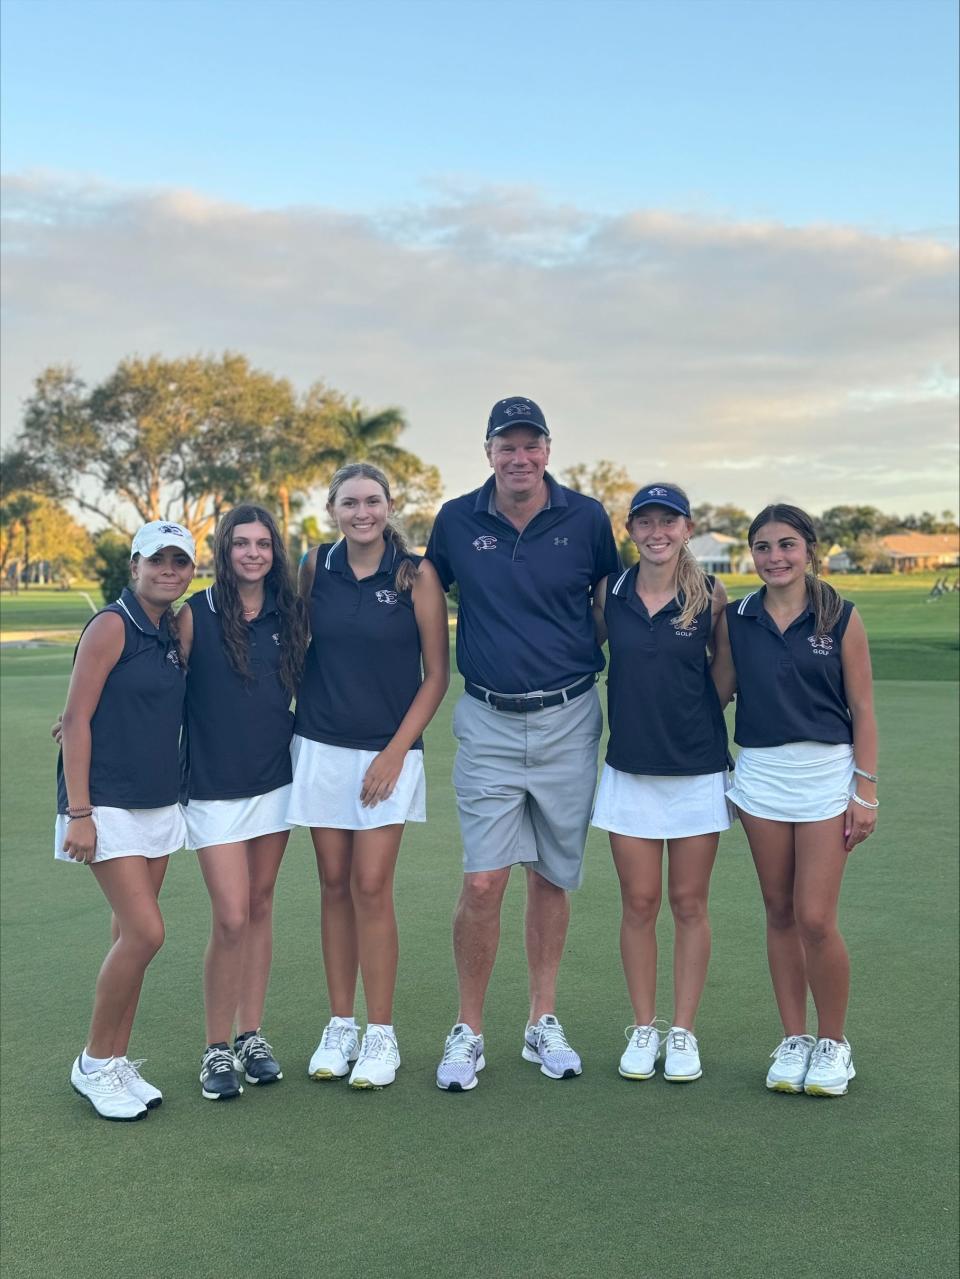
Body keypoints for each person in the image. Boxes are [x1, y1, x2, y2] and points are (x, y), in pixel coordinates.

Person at [426, 397, 620, 1091]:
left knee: (552, 874)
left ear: (546, 449)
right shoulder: (455, 520)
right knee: (483, 878)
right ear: (488, 452)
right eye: (506, 445)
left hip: (570, 716)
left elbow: (609, 607)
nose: (519, 457)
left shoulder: (587, 518)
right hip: (488, 719)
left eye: (530, 444)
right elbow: (422, 592)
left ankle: (542, 1019)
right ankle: (469, 1029)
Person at [289, 463, 449, 1089]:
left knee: (371, 885)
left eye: (373, 502)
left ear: (389, 507)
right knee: (332, 884)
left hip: (389, 753)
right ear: (332, 509)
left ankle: (381, 1033)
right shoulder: (312, 567)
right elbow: (293, 649)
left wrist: (393, 753)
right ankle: (341, 1024)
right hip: (321, 748)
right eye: (350, 502)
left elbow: (436, 674)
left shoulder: (416, 572)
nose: (363, 513)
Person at [717, 504, 878, 1097]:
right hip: (761, 775)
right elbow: (720, 693)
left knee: (815, 917)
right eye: (763, 547)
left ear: (810, 549)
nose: (775, 557)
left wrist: (866, 788)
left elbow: (862, 709)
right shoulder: (737, 617)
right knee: (778, 911)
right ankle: (794, 1038)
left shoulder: (841, 616)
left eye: (787, 545)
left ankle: (834, 1043)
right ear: (751, 554)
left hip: (825, 775)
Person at [591, 483, 732, 1084]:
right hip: (628, 771)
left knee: (688, 903)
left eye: (668, 522)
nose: (657, 532)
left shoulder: (712, 596)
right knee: (640, 902)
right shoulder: (611, 593)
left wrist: (688, 720)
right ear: (631, 531)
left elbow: (723, 676)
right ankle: (643, 1028)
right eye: (645, 522)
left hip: (697, 770)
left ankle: (683, 1032)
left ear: (687, 528)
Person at [56, 521, 195, 1120]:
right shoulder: (113, 624)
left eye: (179, 561)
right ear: (134, 565)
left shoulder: (171, 628)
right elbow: (76, 718)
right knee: (146, 933)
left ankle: (115, 1061)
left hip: (158, 799)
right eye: (157, 559)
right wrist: (80, 813)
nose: (168, 569)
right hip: (105, 802)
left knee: (127, 939)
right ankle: (91, 1063)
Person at [177, 505, 309, 1101]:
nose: (253, 553)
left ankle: (251, 1034)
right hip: (211, 786)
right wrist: (80, 718)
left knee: (258, 905)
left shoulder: (289, 612)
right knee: (229, 915)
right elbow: (149, 679)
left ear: (274, 551)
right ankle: (214, 1047)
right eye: (241, 543)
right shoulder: (193, 613)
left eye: (262, 543)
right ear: (224, 550)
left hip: (274, 781)